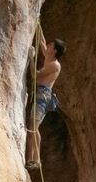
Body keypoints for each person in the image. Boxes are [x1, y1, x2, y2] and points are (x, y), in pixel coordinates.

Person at [25, 29, 66, 170]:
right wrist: (38, 24)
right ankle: (29, 159)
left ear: (54, 51)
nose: (48, 45)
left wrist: (31, 59)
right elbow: (41, 42)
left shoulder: (54, 65)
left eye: (51, 45)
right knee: (31, 126)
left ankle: (36, 160)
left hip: (43, 95)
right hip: (40, 94)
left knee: (34, 127)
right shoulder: (49, 58)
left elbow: (35, 76)